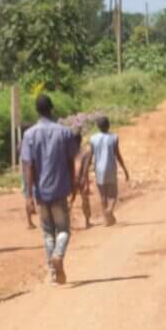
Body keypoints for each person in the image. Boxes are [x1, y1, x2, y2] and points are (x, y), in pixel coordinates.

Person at [21, 94, 78, 284]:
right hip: (60, 189)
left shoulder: (29, 135)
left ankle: (54, 273)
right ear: (51, 109)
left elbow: (28, 166)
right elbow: (71, 160)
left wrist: (28, 195)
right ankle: (59, 255)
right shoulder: (65, 133)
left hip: (41, 193)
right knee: (64, 230)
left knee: (47, 233)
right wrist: (73, 183)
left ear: (37, 111)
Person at [79, 116, 130, 226]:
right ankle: (109, 211)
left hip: (99, 170)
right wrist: (125, 169)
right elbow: (117, 154)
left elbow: (90, 156)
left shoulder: (93, 139)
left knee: (103, 195)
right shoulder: (114, 137)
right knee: (113, 194)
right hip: (110, 168)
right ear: (109, 125)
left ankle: (107, 220)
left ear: (98, 127)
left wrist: (85, 173)